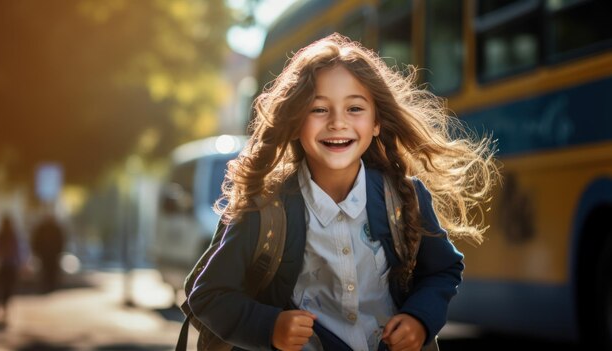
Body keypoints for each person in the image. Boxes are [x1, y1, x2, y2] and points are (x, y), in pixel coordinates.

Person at [189, 33, 499, 351]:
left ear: (377, 121)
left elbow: (443, 270)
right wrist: (270, 327)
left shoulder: (407, 199)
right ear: (296, 123)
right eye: (319, 109)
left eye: (354, 108)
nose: (338, 122)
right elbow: (208, 295)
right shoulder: (266, 210)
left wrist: (420, 319)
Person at [0, 214, 21, 328]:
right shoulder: (9, 235)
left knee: (5, 288)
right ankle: (4, 307)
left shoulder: (3, 235)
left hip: (5, 265)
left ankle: (3, 307)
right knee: (7, 288)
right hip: (9, 265)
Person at [31, 214, 65, 293]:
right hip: (47, 254)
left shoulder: (50, 228)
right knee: (48, 270)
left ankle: (49, 285)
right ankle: (48, 285)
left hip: (50, 254)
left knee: (49, 270)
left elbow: (61, 241)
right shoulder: (46, 228)